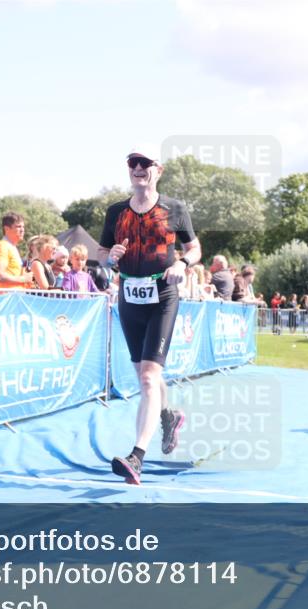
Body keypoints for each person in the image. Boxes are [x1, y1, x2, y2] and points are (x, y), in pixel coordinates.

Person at [99, 147, 201, 485]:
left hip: (163, 295)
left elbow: (194, 248)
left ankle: (136, 457)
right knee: (147, 377)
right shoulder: (116, 212)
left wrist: (181, 263)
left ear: (159, 170)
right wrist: (110, 257)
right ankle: (169, 417)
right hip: (129, 295)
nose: (138, 168)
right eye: (133, 163)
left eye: (145, 163)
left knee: (147, 377)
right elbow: (102, 253)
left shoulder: (174, 208)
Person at [0, 212, 33, 289]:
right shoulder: (2, 247)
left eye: (23, 227)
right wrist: (23, 279)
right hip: (7, 295)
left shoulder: (12, 247)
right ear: (6, 229)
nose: (22, 230)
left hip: (16, 294)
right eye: (18, 226)